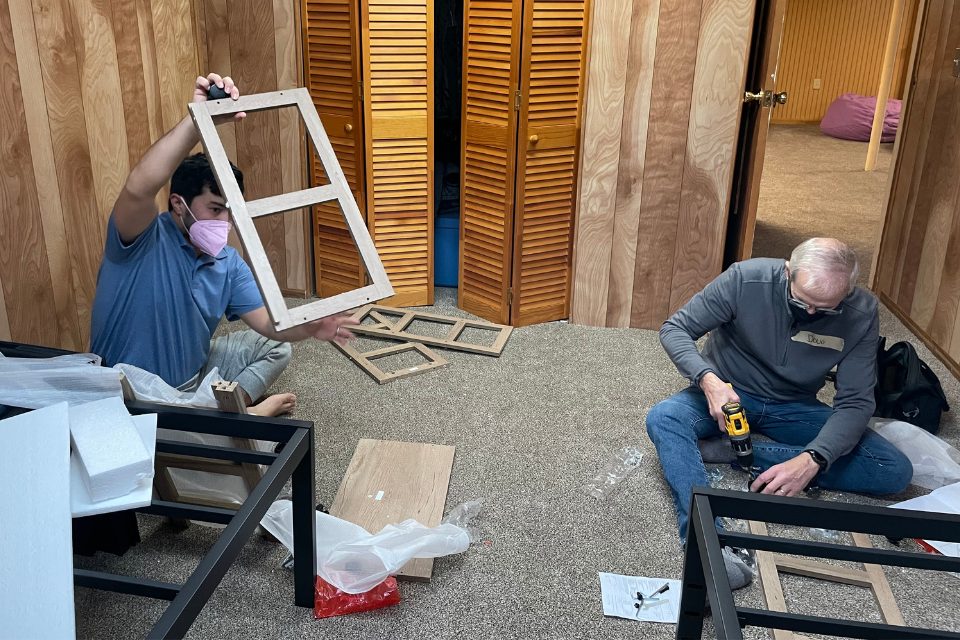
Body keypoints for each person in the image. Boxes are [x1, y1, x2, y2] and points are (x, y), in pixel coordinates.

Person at [645, 238, 912, 589]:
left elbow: (856, 402)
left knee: (893, 471)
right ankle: (708, 541)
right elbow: (675, 329)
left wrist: (814, 459)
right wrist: (709, 380)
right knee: (664, 418)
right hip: (730, 392)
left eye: (825, 308)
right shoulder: (745, 279)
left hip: (794, 405)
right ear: (787, 272)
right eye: (802, 301)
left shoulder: (861, 313)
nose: (811, 314)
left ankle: (732, 453)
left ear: (847, 292)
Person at [90, 73, 357, 416]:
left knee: (276, 346)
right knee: (201, 459)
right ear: (177, 204)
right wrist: (197, 119)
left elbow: (270, 323)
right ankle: (241, 418)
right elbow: (141, 185)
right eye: (215, 209)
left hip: (190, 377)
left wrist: (310, 325)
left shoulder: (227, 263)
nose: (224, 223)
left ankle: (223, 410)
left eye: (229, 212)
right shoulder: (139, 239)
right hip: (125, 396)